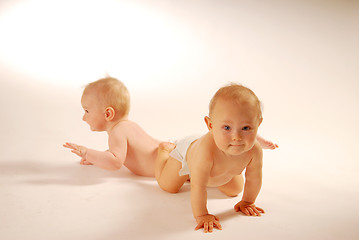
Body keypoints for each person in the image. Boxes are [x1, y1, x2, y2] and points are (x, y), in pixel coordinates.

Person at [155, 83, 273, 233]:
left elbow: (254, 178)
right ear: (210, 125)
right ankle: (164, 152)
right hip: (187, 154)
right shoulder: (206, 152)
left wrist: (247, 202)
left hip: (216, 169)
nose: (237, 137)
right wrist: (202, 215)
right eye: (227, 128)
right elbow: (198, 187)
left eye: (246, 128)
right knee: (168, 186)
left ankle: (198, 174)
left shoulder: (254, 150)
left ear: (258, 124)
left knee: (235, 189)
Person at [63, 77, 160, 177]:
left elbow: (115, 162)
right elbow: (117, 152)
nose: (84, 118)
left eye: (87, 111)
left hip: (167, 165)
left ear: (108, 114)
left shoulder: (117, 132)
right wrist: (96, 159)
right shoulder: (128, 126)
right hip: (170, 154)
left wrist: (87, 153)